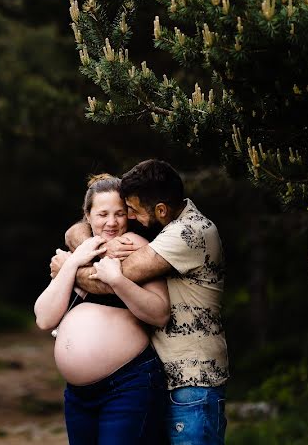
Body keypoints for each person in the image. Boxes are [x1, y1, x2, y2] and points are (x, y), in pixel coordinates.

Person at [57, 160, 229, 444]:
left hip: (191, 381)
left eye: (133, 211)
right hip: (164, 378)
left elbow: (112, 278)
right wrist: (87, 242)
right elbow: (80, 227)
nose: (130, 219)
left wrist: (69, 269)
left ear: (160, 209)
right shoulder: (165, 224)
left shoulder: (189, 233)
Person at [34, 174, 171, 444]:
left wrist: (117, 281)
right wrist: (74, 264)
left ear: (130, 215)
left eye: (120, 213)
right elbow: (44, 318)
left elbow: (160, 313)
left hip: (127, 385)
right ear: (88, 215)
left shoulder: (134, 247)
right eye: (103, 214)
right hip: (78, 395)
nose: (112, 222)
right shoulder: (79, 253)